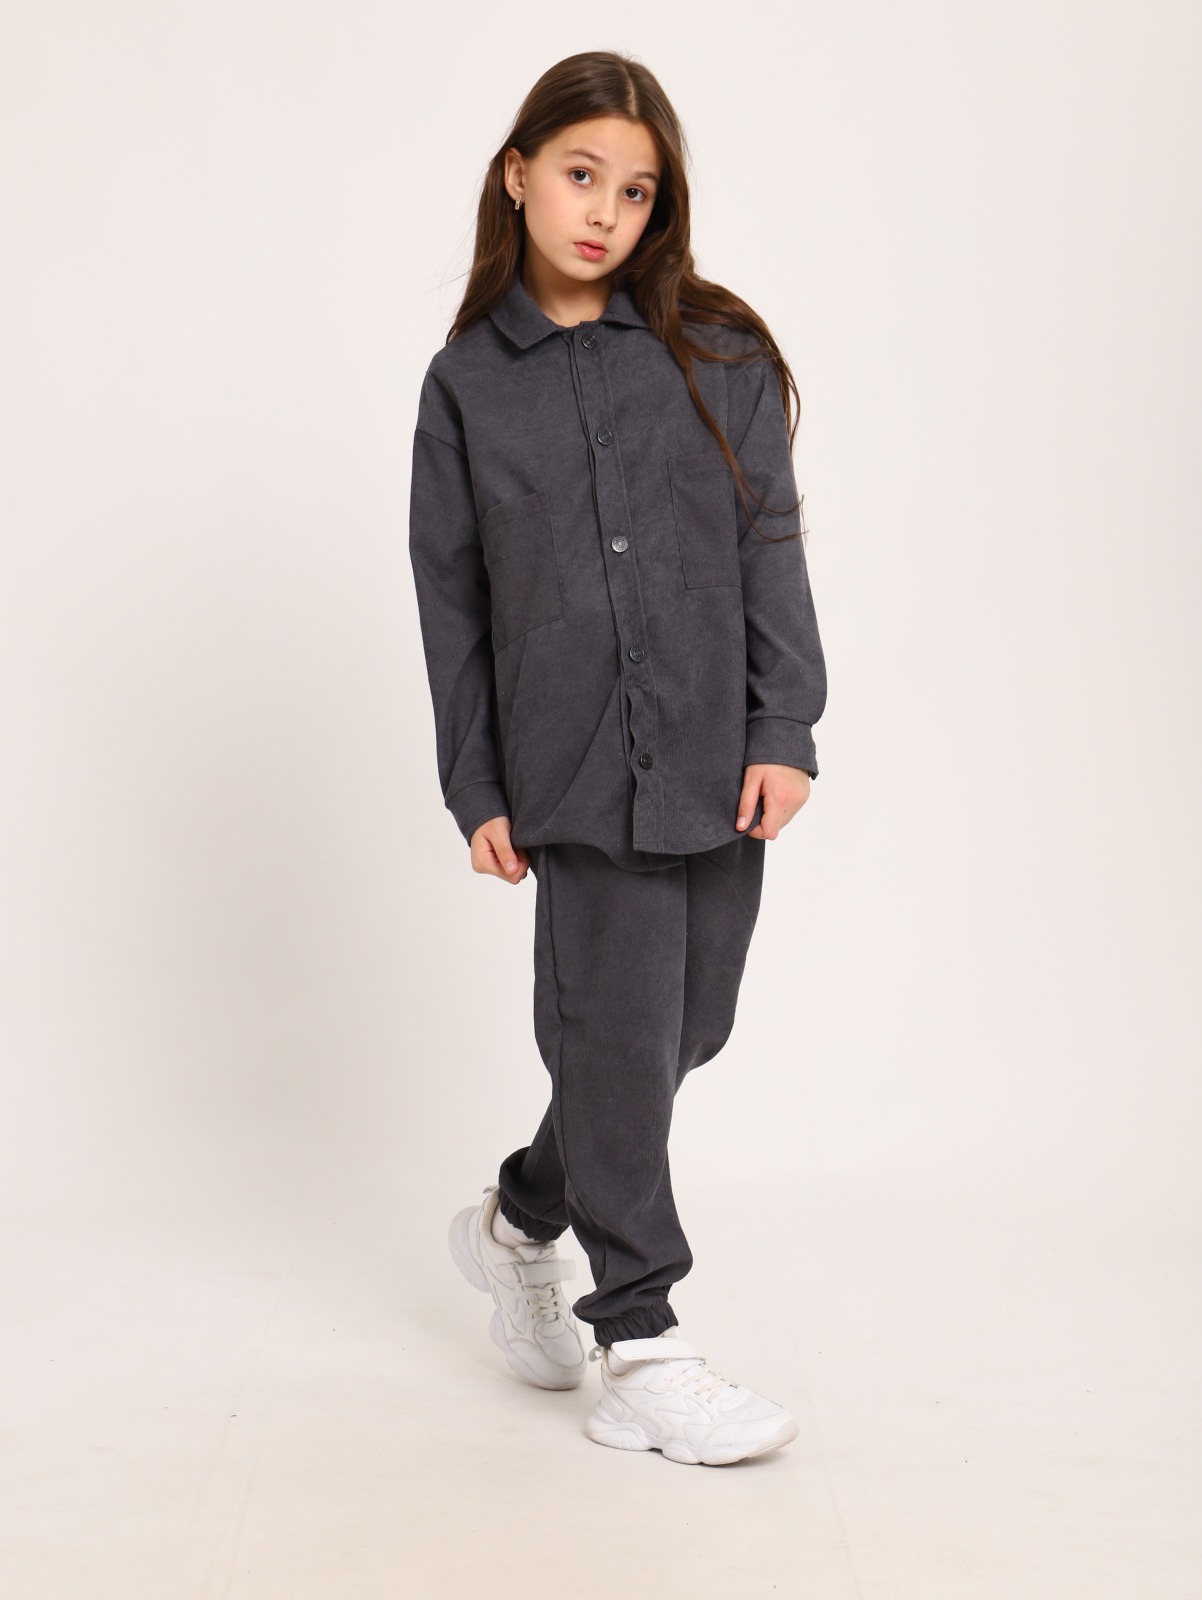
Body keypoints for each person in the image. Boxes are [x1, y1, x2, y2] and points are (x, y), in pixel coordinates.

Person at [408, 50, 827, 1467]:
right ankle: (640, 1338)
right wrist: (476, 783)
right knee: (618, 1040)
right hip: (571, 762)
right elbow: (453, 598)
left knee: (676, 1036)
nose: (603, 212)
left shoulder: (719, 350)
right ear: (517, 174)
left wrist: (783, 725)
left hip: (712, 750)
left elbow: (769, 540)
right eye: (580, 175)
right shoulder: (468, 384)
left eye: (635, 191)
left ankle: (522, 1217)